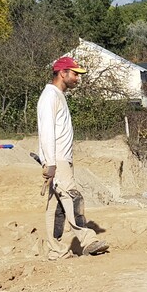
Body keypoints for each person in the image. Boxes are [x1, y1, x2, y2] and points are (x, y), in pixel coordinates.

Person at [37, 56, 109, 260]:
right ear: (63, 73)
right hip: (57, 160)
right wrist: (50, 163)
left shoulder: (57, 95)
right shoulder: (50, 96)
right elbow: (47, 132)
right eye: (75, 74)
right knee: (72, 198)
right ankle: (87, 240)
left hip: (60, 159)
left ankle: (55, 250)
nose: (78, 78)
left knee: (56, 206)